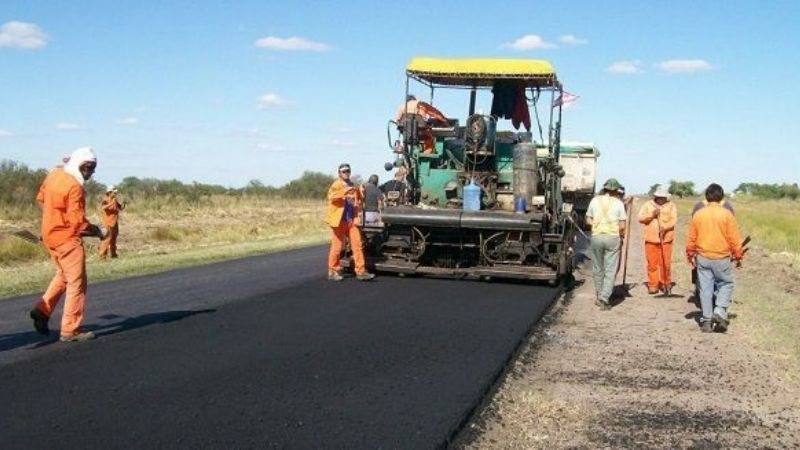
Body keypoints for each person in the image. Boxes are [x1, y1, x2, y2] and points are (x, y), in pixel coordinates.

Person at [29, 147, 107, 342]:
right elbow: (79, 224)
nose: (91, 172)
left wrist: (54, 220)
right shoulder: (74, 187)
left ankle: (42, 310)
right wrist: (98, 231)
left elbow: (41, 199)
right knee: (77, 283)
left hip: (50, 235)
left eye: (93, 168)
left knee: (64, 275)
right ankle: (70, 330)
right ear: (81, 164)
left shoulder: (54, 174)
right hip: (67, 240)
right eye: (89, 168)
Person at [686, 183, 744, 333]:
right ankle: (719, 311)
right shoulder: (727, 215)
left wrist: (690, 254)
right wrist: (738, 256)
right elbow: (734, 238)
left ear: (706, 197)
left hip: (703, 257)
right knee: (726, 284)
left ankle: (706, 321)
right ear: (721, 197)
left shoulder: (698, 215)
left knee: (705, 289)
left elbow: (691, 238)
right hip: (721, 257)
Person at [325, 163, 375, 281]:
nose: (346, 173)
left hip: (351, 221)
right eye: (344, 171)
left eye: (348, 171)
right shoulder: (336, 184)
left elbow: (359, 199)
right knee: (337, 247)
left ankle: (361, 271)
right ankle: (333, 271)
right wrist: (344, 191)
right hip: (339, 221)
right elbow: (331, 197)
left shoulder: (353, 185)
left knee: (357, 245)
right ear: (339, 173)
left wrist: (362, 192)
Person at [585, 178, 628, 310]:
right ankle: (604, 298)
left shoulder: (594, 201)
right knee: (610, 269)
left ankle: (599, 295)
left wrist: (598, 225)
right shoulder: (619, 203)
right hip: (612, 237)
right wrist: (621, 235)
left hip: (597, 237)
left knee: (598, 268)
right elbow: (622, 225)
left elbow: (588, 220)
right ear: (616, 190)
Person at [637, 185, 678, 294]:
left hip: (666, 240)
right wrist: (651, 215)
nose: (661, 199)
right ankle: (653, 285)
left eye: (663, 197)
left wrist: (665, 227)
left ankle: (666, 284)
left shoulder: (671, 205)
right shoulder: (648, 205)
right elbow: (640, 218)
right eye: (659, 197)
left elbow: (674, 220)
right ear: (656, 196)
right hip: (651, 240)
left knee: (665, 264)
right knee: (652, 264)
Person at [98, 185, 126, 259]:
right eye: (114, 192)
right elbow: (103, 207)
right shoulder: (105, 200)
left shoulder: (115, 200)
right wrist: (112, 203)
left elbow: (120, 208)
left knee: (113, 239)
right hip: (107, 223)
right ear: (109, 192)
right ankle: (102, 256)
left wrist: (123, 204)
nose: (115, 194)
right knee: (106, 239)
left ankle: (113, 254)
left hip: (114, 222)